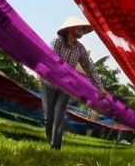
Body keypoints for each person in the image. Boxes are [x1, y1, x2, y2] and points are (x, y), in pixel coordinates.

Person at [41, 15, 107, 150]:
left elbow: (89, 68)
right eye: (79, 28)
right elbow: (52, 61)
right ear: (70, 29)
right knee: (49, 118)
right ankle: (50, 140)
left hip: (65, 87)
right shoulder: (57, 42)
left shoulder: (80, 49)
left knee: (59, 117)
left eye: (83, 29)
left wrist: (100, 88)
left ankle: (55, 148)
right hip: (49, 83)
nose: (81, 31)